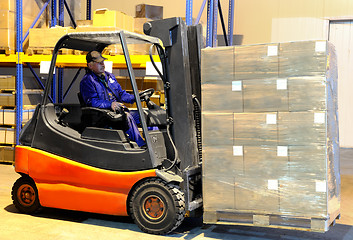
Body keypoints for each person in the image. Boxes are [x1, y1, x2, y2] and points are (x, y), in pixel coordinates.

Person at [80, 50, 145, 147]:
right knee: (127, 117)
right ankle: (141, 146)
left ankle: (154, 144)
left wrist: (136, 98)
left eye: (103, 62)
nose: (103, 64)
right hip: (103, 116)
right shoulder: (87, 81)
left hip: (117, 112)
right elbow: (92, 102)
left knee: (144, 115)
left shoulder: (109, 76)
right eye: (99, 63)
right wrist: (110, 105)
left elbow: (121, 94)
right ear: (90, 65)